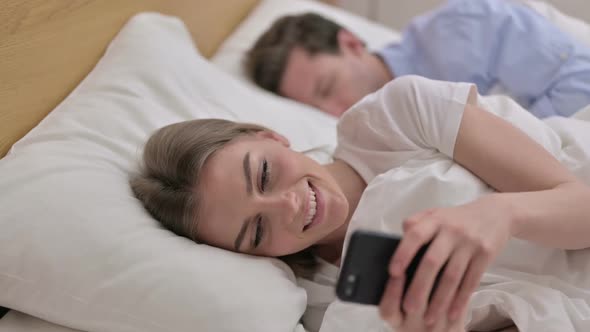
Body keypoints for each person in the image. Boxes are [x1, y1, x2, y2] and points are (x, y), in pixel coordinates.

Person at [130, 75, 590, 331]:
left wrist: (502, 213)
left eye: (265, 174)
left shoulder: (394, 120)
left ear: (267, 135)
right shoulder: (324, 302)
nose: (286, 208)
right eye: (256, 231)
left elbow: (578, 202)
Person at [245, 0, 590, 118]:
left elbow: (581, 79)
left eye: (328, 87)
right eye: (316, 107)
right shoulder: (377, 131)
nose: (336, 110)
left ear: (350, 43)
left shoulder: (461, 28)